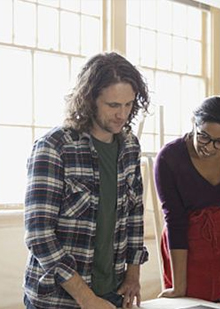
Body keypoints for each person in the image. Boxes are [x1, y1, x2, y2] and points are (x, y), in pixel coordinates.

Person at [24, 52, 150, 309]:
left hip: (112, 293)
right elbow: (39, 235)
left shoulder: (129, 146)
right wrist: (86, 298)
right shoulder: (54, 147)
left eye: (128, 104)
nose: (122, 114)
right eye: (113, 105)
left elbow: (135, 214)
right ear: (89, 100)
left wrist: (133, 274)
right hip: (58, 300)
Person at [154, 96, 220, 303]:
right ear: (193, 123)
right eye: (203, 136)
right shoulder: (169, 158)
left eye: (219, 141)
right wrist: (179, 287)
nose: (209, 147)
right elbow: (175, 220)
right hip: (188, 250)